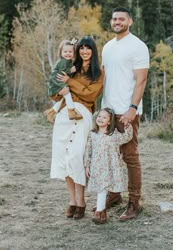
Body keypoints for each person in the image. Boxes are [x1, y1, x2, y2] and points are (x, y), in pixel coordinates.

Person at [102, 7, 150, 221]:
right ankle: (114, 195)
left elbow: (141, 80)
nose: (117, 22)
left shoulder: (138, 46)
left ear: (130, 21)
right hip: (108, 111)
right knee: (111, 157)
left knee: (130, 157)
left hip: (126, 111)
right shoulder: (107, 47)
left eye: (121, 19)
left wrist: (132, 108)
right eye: (114, 19)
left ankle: (134, 202)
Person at [50, 36, 104, 220]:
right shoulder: (70, 68)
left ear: (93, 51)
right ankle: (72, 201)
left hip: (83, 115)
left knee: (76, 157)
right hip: (65, 114)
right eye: (81, 48)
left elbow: (90, 94)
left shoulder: (98, 72)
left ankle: (82, 201)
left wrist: (71, 83)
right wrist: (61, 91)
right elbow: (55, 90)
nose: (84, 52)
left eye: (88, 49)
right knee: (65, 157)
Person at [84, 107, 133, 225]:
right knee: (101, 188)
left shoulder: (113, 135)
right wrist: (87, 165)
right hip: (97, 167)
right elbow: (88, 150)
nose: (100, 119)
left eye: (104, 117)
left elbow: (127, 137)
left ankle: (100, 212)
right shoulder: (92, 134)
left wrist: (128, 126)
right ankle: (101, 212)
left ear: (109, 121)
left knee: (103, 188)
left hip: (110, 167)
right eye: (99, 116)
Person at [45, 39, 82, 123]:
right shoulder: (63, 62)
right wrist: (71, 70)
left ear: (73, 53)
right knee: (67, 94)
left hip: (59, 82)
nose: (68, 53)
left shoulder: (68, 61)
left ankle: (52, 111)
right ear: (61, 53)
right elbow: (62, 72)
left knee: (65, 98)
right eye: (65, 52)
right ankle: (71, 112)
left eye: (70, 52)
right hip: (56, 82)